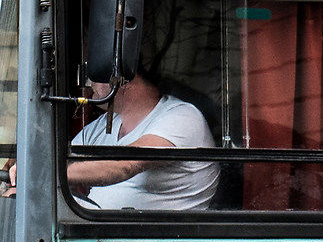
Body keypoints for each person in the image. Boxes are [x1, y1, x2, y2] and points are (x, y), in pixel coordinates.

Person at [62, 71, 219, 211]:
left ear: (122, 79)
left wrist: (55, 174)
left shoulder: (183, 117)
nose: (89, 83)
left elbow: (124, 165)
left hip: (154, 240)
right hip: (98, 235)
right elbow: (63, 159)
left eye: (94, 72)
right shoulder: (103, 125)